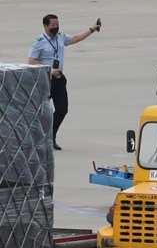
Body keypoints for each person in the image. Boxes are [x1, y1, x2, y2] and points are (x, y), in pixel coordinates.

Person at [28, 14, 102, 150]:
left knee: (62, 109)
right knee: (40, 111)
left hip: (59, 79)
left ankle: (50, 136)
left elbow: (74, 38)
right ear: (45, 26)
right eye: (52, 26)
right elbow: (31, 61)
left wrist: (92, 29)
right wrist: (50, 70)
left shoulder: (60, 37)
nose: (55, 27)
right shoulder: (39, 42)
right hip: (45, 80)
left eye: (57, 25)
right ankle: (34, 139)